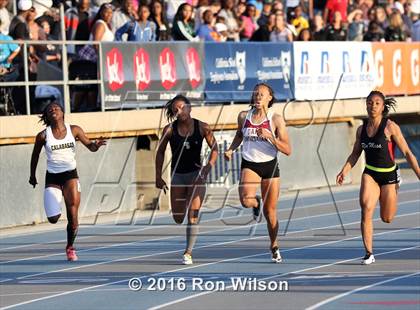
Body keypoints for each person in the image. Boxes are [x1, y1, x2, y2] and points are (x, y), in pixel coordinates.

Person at [336, 91, 420, 265]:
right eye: (369, 102)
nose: (372, 106)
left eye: (376, 103)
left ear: (382, 107)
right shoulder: (361, 129)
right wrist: (344, 170)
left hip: (389, 174)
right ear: (366, 105)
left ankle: (393, 188)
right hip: (370, 173)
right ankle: (369, 253)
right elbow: (355, 154)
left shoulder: (390, 127)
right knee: (366, 208)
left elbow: (407, 152)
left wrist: (419, 174)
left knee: (387, 218)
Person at [29, 102, 106, 261]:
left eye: (56, 108)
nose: (53, 110)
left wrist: (96, 146)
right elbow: (35, 156)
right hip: (53, 177)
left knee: (73, 215)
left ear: (63, 113)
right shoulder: (43, 135)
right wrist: (32, 175)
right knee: (53, 218)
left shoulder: (74, 130)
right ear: (47, 116)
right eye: (50, 109)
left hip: (70, 174)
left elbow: (90, 146)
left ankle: (70, 247)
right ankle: (56, 205)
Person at [224, 83, 291, 263]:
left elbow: (287, 149)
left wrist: (270, 137)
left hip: (269, 166)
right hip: (250, 163)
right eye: (256, 94)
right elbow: (240, 135)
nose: (258, 97)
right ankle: (256, 202)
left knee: (270, 213)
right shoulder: (243, 116)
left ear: (270, 98)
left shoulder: (276, 119)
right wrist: (231, 149)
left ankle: (274, 245)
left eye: (262, 94)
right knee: (246, 200)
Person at [155, 95, 218, 265]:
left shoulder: (202, 127)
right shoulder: (169, 130)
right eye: (176, 109)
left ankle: (188, 252)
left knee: (193, 214)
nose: (179, 111)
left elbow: (215, 148)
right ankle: (187, 241)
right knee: (178, 217)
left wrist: (208, 167)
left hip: (196, 175)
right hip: (178, 176)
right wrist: (158, 176)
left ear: (190, 107)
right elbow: (160, 152)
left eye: (182, 107)